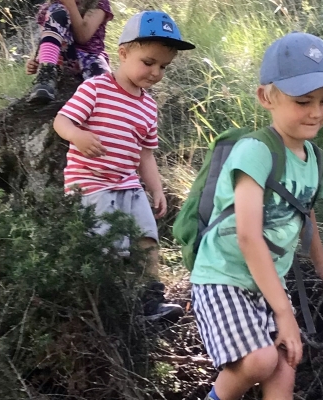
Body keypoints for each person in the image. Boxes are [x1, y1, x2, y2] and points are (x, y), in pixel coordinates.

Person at [190, 32, 323, 400]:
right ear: (267, 97)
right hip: (224, 276)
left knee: (284, 368)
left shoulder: (315, 159)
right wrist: (285, 313)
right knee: (261, 361)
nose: (316, 112)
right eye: (302, 100)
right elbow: (248, 235)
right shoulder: (256, 151)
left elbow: (305, 214)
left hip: (265, 283)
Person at [52, 11, 195, 321]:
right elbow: (61, 121)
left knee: (147, 240)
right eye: (148, 62)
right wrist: (78, 135)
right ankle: (108, 308)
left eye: (163, 67)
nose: (156, 72)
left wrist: (156, 188)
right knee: (106, 248)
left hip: (129, 185)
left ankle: (150, 302)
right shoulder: (95, 88)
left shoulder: (148, 105)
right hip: (91, 185)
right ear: (124, 52)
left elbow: (145, 154)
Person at [27, 0, 113, 103]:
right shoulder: (50, 8)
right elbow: (49, 37)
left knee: (107, 91)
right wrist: (38, 60)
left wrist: (69, 3)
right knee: (57, 9)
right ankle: (46, 72)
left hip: (90, 57)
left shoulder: (99, 3)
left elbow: (83, 36)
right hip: (61, 60)